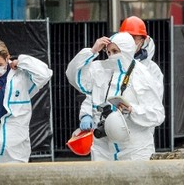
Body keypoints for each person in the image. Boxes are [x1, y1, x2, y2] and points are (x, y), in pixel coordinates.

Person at [66, 32, 165, 161]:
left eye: (115, 51)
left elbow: (157, 114)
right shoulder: (101, 70)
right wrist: (92, 51)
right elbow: (74, 76)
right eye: (108, 52)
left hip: (134, 148)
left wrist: (132, 110)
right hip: (103, 146)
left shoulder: (142, 74)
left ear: (126, 50)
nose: (111, 55)